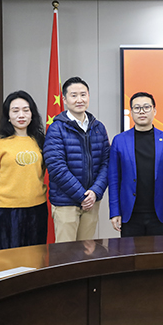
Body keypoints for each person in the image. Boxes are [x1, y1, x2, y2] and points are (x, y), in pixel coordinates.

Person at [43, 77, 110, 243]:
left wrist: (95, 192)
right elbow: (56, 168)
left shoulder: (98, 127)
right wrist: (82, 196)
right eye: (74, 95)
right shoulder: (56, 128)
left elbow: (106, 163)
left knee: (86, 251)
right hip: (66, 203)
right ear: (65, 100)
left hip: (92, 202)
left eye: (83, 95)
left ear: (89, 97)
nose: (79, 99)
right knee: (66, 253)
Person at [108, 92, 163, 236]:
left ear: (154, 110)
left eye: (146, 107)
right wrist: (115, 211)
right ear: (131, 112)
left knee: (161, 251)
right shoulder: (119, 140)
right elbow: (114, 179)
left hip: (160, 214)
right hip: (130, 214)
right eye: (137, 108)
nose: (142, 111)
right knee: (129, 251)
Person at [0, 90, 48, 249]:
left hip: (37, 208)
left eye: (26, 110)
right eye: (15, 110)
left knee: (36, 256)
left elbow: (42, 171)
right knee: (8, 257)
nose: (21, 115)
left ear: (32, 114)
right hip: (6, 210)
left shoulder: (40, 140)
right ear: (8, 115)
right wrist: (7, 195)